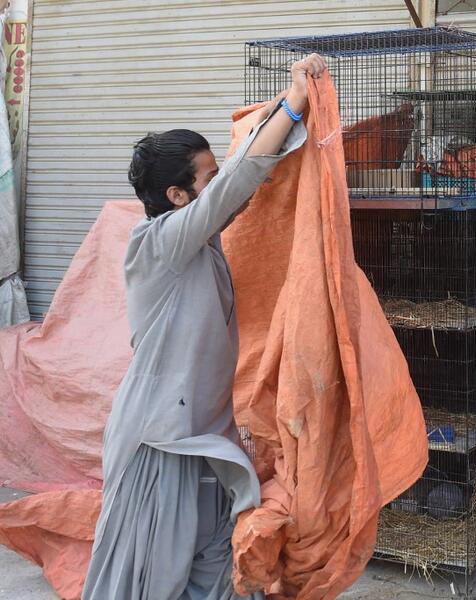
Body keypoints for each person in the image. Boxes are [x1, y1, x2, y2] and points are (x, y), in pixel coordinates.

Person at [81, 54, 327, 600]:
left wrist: (290, 124)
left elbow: (235, 184)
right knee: (147, 576)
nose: (219, 187)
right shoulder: (159, 243)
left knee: (214, 564)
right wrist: (295, 101)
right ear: (177, 196)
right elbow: (232, 187)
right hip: (161, 441)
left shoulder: (199, 240)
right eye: (207, 178)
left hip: (207, 437)